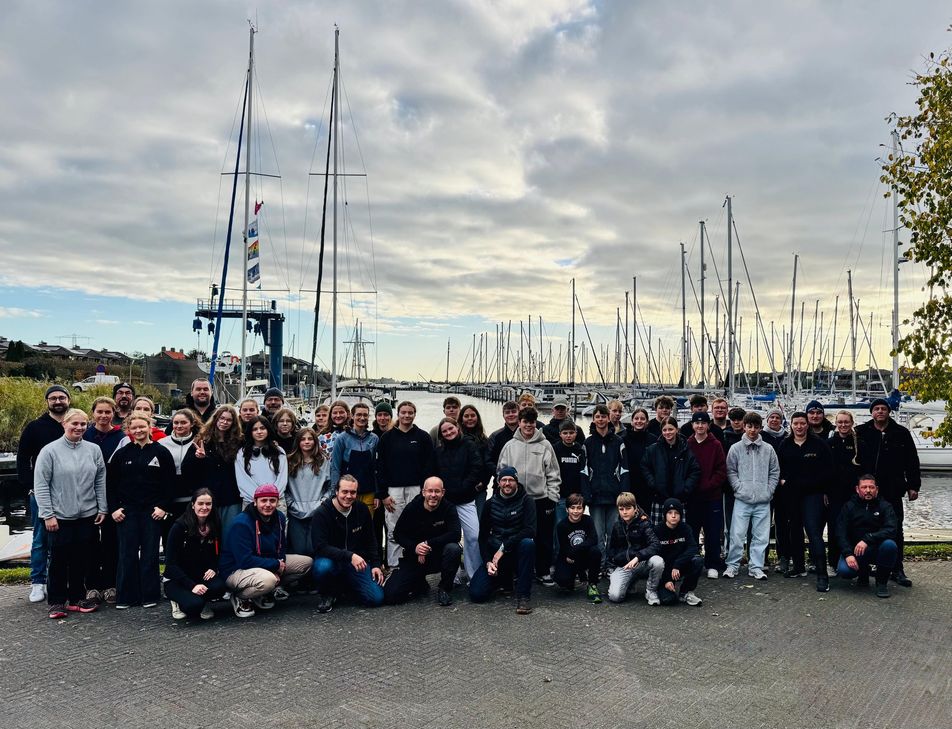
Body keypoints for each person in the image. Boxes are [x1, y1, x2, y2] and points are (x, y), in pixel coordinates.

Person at [34, 408, 107, 618]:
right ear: (64, 424)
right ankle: (57, 600)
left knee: (81, 558)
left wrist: (102, 507)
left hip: (87, 514)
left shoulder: (93, 450)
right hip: (59, 516)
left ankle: (76, 597)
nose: (79, 428)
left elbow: (100, 480)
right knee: (58, 559)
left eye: (83, 424)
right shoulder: (50, 451)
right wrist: (47, 514)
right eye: (74, 423)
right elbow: (41, 484)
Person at [109, 413, 175, 608]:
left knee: (150, 554)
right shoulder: (121, 454)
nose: (138, 431)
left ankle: (150, 595)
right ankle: (126, 596)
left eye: (142, 427)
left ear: (149, 427)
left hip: (151, 511)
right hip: (127, 512)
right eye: (134, 428)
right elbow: (110, 485)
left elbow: (170, 484)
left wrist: (163, 507)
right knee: (127, 554)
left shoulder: (161, 452)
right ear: (128, 430)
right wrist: (114, 509)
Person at [220, 483, 313, 618]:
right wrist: (274, 566)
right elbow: (244, 560)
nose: (268, 504)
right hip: (236, 569)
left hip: (264, 564)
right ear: (255, 502)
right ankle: (240, 596)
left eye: (272, 500)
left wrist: (278, 563)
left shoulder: (279, 517)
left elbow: (281, 546)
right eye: (263, 500)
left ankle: (260, 592)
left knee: (306, 563)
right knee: (268, 580)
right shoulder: (241, 523)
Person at [855, 398, 920, 587]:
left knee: (896, 528)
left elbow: (912, 461)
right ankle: (864, 567)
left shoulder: (901, 433)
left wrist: (913, 485)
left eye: (884, 409)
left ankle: (897, 568)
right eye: (876, 409)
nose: (880, 412)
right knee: (864, 526)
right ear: (871, 412)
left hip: (892, 488)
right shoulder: (861, 432)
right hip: (867, 489)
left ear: (889, 412)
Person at [18, 384, 71, 603]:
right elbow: (23, 460)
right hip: (42, 492)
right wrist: (31, 486)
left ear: (68, 400)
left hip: (69, 493)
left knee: (65, 539)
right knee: (40, 539)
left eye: (62, 398)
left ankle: (59, 580)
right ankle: (38, 582)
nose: (58, 401)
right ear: (47, 402)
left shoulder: (76, 425)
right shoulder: (35, 427)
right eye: (53, 398)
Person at [497, 407, 561, 586]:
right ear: (519, 422)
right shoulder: (510, 445)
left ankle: (543, 571)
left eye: (532, 422)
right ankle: (519, 570)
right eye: (525, 422)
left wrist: (552, 498)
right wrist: (503, 494)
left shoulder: (545, 445)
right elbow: (501, 472)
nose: (528, 426)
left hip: (541, 499)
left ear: (536, 423)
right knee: (518, 536)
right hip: (518, 500)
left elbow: (554, 474)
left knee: (543, 537)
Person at [383, 476, 462, 606]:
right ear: (423, 492)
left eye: (437, 491)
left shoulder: (449, 508)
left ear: (443, 492)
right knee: (391, 596)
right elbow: (398, 534)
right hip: (415, 557)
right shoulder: (412, 508)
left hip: (438, 556)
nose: (433, 495)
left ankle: (444, 588)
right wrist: (415, 547)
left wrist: (427, 544)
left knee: (454, 549)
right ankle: (419, 583)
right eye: (430, 491)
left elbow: (456, 534)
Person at [777, 411, 834, 590]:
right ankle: (799, 566)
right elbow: (778, 467)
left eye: (802, 423)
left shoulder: (818, 444)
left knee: (813, 531)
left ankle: (822, 574)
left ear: (807, 425)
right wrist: (782, 480)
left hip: (813, 495)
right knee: (794, 530)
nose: (799, 427)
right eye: (796, 424)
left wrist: (823, 490)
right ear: (791, 425)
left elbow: (828, 471)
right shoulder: (785, 444)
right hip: (791, 495)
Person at [310, 475, 384, 612]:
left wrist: (375, 564)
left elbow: (371, 539)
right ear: (336, 491)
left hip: (356, 563)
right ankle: (327, 594)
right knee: (322, 567)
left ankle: (346, 586)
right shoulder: (322, 513)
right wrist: (349, 556)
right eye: (345, 492)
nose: (348, 496)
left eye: (353, 492)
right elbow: (320, 547)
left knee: (376, 598)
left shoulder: (362, 510)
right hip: (331, 560)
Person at [468, 467, 536, 614]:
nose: (507, 483)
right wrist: (487, 562)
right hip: (495, 556)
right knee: (476, 594)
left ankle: (523, 596)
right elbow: (483, 537)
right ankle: (502, 579)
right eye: (504, 480)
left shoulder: (527, 501)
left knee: (528, 543)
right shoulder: (489, 504)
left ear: (516, 482)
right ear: (498, 482)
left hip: (516, 552)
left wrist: (504, 547)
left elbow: (530, 530)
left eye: (511, 480)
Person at [377, 400, 434, 569]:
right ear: (398, 414)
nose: (407, 415)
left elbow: (429, 466)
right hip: (393, 490)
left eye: (410, 412)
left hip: (416, 489)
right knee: (394, 527)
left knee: (416, 525)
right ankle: (394, 565)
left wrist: (426, 490)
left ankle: (415, 562)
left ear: (414, 414)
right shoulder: (387, 438)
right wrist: (383, 494)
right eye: (404, 412)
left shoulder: (423, 437)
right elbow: (380, 467)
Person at [722, 412, 780, 581]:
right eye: (749, 426)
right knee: (736, 534)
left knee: (761, 536)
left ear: (761, 428)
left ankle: (756, 567)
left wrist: (769, 490)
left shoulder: (768, 449)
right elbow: (731, 470)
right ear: (744, 427)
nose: (752, 430)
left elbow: (774, 472)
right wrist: (738, 488)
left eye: (756, 427)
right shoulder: (736, 448)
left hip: (763, 500)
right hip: (742, 499)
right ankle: (732, 565)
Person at [83, 396, 124, 604]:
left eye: (108, 412)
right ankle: (91, 586)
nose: (104, 416)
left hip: (112, 495)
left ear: (113, 413)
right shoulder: (85, 435)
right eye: (100, 411)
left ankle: (110, 584)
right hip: (87, 496)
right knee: (90, 542)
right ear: (93, 413)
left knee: (111, 542)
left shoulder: (121, 437)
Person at [162, 488, 227, 620]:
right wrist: (192, 586)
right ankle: (178, 601)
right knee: (193, 606)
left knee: (220, 587)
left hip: (200, 575)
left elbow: (218, 551)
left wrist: (214, 568)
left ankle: (201, 601)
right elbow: (170, 564)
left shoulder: (215, 524)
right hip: (178, 579)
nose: (204, 507)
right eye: (200, 503)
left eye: (208, 504)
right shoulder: (179, 527)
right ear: (193, 505)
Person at [433, 417, 482, 579]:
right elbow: (434, 474)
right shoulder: (439, 452)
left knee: (473, 536)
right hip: (446, 503)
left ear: (457, 427)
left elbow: (476, 467)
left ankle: (473, 573)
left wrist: (464, 486)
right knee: (449, 540)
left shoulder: (469, 445)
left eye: (450, 429)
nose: (448, 433)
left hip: (466, 500)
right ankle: (451, 576)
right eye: (444, 431)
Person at [834, 475, 899, 598]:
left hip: (877, 548)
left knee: (890, 546)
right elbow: (840, 532)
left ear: (877, 489)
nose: (868, 490)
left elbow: (891, 529)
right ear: (857, 489)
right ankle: (863, 573)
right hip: (855, 550)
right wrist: (848, 554)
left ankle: (881, 582)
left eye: (871, 487)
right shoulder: (849, 507)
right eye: (864, 487)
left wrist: (867, 539)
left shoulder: (885, 506)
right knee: (845, 571)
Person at [183, 405, 243, 538]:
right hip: (208, 497)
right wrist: (197, 458)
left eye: (229, 420)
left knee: (230, 535)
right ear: (215, 419)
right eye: (222, 418)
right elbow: (186, 468)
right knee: (208, 536)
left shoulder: (239, 442)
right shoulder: (202, 440)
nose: (224, 422)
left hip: (231, 497)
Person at [580, 404, 627, 565]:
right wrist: (586, 494)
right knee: (598, 534)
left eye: (603, 416)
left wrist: (624, 494)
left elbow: (625, 469)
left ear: (609, 418)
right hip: (595, 497)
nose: (600, 419)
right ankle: (600, 563)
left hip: (615, 496)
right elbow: (584, 471)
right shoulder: (588, 443)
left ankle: (612, 563)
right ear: (593, 419)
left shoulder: (618, 441)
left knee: (613, 533)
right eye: (597, 416)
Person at [685, 412, 727, 579]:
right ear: (693, 425)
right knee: (692, 532)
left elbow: (721, 470)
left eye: (703, 423)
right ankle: (692, 563)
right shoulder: (687, 444)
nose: (700, 426)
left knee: (712, 532)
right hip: (692, 496)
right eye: (697, 423)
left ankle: (712, 564)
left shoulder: (715, 445)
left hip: (712, 496)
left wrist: (709, 485)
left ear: (708, 425)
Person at [828, 411, 871, 572]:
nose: (843, 425)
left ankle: (860, 562)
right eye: (840, 422)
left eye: (846, 422)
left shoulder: (860, 444)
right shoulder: (830, 443)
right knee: (834, 527)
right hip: (834, 494)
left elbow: (867, 469)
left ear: (852, 423)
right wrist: (826, 492)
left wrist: (864, 490)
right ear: (836, 424)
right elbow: (825, 470)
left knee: (857, 526)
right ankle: (833, 562)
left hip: (854, 494)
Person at [605, 491, 663, 605]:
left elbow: (656, 544)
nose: (625, 512)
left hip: (641, 562)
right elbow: (611, 548)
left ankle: (651, 591)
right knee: (615, 596)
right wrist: (614, 563)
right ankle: (630, 584)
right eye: (621, 509)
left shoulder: (644, 523)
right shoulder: (617, 525)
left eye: (628, 508)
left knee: (658, 561)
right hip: (624, 566)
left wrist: (638, 557)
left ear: (635, 508)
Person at [641, 416, 700, 526]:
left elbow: (694, 470)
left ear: (677, 430)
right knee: (658, 534)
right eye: (665, 430)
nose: (668, 432)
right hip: (660, 498)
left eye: (671, 429)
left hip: (679, 499)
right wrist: (653, 484)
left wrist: (685, 488)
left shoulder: (685, 449)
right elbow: (645, 467)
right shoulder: (653, 449)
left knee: (679, 535)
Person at [158, 408, 201, 550]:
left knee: (191, 539)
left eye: (183, 422)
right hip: (170, 500)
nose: (179, 426)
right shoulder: (163, 443)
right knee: (170, 538)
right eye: (176, 422)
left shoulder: (199, 442)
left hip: (191, 499)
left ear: (192, 424)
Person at [330, 403, 379, 518]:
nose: (362, 418)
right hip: (348, 492)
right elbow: (335, 467)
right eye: (359, 415)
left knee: (366, 526)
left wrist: (378, 493)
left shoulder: (374, 439)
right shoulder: (342, 438)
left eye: (365, 415)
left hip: (368, 492)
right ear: (352, 416)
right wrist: (335, 492)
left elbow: (376, 468)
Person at [653, 498, 704, 606]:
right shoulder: (658, 530)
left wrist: (678, 564)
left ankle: (686, 592)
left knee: (697, 560)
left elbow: (693, 548)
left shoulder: (685, 528)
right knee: (669, 600)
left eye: (676, 513)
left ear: (681, 515)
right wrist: (666, 579)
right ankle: (662, 588)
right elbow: (657, 557)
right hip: (664, 571)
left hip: (679, 567)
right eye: (670, 513)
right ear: (665, 515)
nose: (673, 516)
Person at [553, 493, 602, 603]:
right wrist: (572, 554)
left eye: (579, 508)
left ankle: (592, 584)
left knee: (595, 551)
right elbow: (564, 547)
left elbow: (593, 540)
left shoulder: (588, 520)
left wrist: (576, 550)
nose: (575, 511)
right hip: (568, 557)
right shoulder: (561, 526)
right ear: (567, 509)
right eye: (572, 508)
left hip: (579, 555)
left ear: (583, 509)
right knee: (562, 581)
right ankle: (576, 576)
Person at [286, 427, 328, 556]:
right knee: (298, 550)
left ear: (315, 441)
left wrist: (322, 503)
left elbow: (330, 486)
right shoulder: (289, 461)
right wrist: (291, 504)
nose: (307, 442)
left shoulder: (323, 461)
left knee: (312, 548)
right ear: (298, 442)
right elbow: (283, 487)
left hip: (317, 511)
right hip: (296, 512)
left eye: (310, 439)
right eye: (303, 439)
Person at [234, 416, 288, 507]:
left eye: (262, 428)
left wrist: (271, 498)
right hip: (251, 501)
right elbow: (242, 480)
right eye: (255, 429)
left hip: (276, 501)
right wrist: (259, 498)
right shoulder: (242, 453)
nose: (259, 432)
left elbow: (282, 478)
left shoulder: (279, 451)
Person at [552, 419, 585, 552]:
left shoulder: (580, 449)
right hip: (561, 496)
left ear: (576, 433)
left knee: (576, 529)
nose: (568, 436)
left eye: (571, 432)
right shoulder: (555, 449)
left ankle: (576, 556)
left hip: (577, 497)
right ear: (560, 434)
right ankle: (559, 557)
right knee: (560, 527)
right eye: (565, 433)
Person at [458, 404, 493, 517]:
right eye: (466, 416)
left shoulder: (484, 440)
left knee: (480, 520)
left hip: (479, 488)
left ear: (477, 418)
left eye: (473, 415)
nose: (469, 418)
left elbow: (487, 464)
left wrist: (483, 482)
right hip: (460, 489)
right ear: (461, 419)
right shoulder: (457, 439)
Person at [622, 408, 657, 511]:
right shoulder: (624, 439)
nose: (639, 421)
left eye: (642, 419)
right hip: (630, 484)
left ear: (647, 422)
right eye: (636, 418)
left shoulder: (653, 440)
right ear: (632, 421)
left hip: (647, 485)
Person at [487, 400, 520, 479]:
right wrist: (500, 475)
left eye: (514, 411)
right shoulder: (495, 436)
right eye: (507, 412)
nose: (511, 414)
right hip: (501, 483)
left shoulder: (526, 435)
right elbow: (488, 460)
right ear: (503, 415)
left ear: (519, 413)